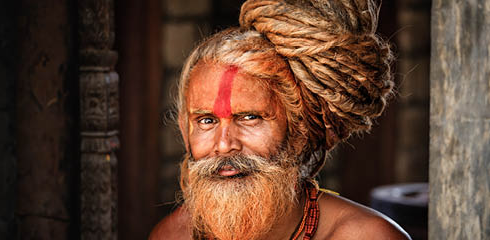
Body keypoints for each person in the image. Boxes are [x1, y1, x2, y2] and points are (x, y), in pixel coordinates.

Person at [150, 0, 410, 239]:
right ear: (185, 131)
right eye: (206, 121)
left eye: (250, 117)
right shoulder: (173, 235)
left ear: (299, 132)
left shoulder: (365, 236)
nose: (224, 144)